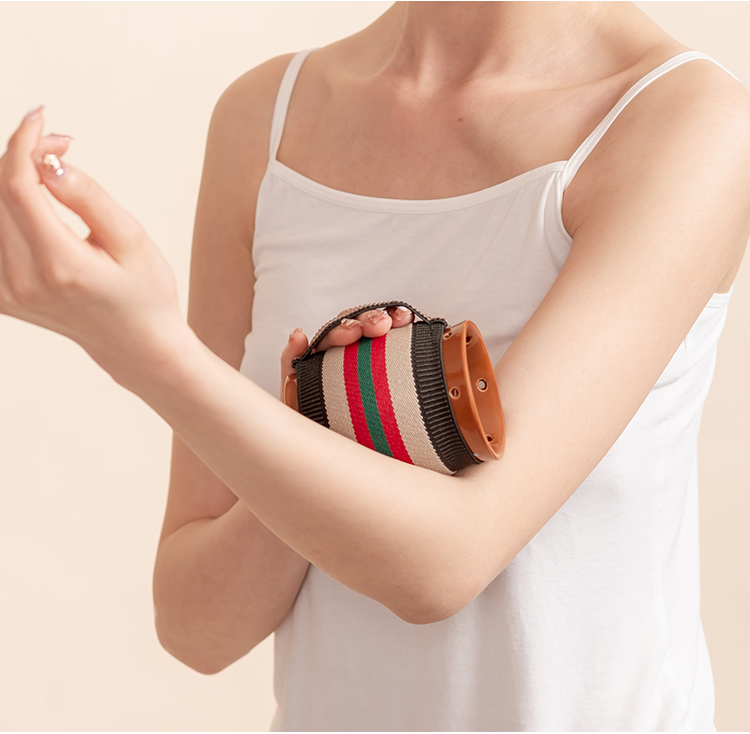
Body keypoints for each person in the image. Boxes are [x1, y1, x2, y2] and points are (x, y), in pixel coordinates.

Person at [0, 1, 748, 730]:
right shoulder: (265, 119)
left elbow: (453, 559)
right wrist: (335, 421)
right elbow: (197, 626)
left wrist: (149, 352)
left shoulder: (687, 120)